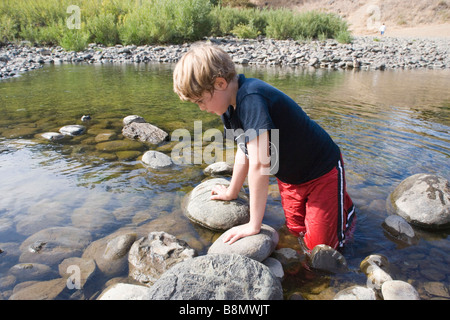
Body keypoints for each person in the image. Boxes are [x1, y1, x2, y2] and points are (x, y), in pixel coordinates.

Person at [173, 43, 355, 252]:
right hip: (290, 178)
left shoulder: (251, 98)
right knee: (296, 230)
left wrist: (253, 225)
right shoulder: (227, 109)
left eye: (200, 101)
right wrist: (232, 191)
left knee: (321, 248)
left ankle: (346, 212)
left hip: (321, 172)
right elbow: (245, 151)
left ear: (220, 83)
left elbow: (260, 164)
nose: (202, 108)